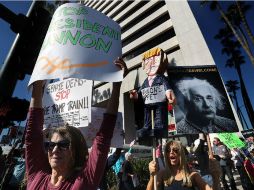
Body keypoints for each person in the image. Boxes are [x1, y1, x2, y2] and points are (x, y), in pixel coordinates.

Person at [25, 58, 128, 190]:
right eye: (51, 145)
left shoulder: (81, 184)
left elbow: (103, 140)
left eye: (63, 145)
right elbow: (32, 136)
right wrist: (38, 83)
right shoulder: (36, 176)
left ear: (75, 152)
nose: (55, 149)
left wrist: (117, 86)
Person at [130, 47, 176, 138]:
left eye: (154, 61)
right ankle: (147, 127)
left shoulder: (161, 78)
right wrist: (134, 94)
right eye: (148, 62)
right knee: (147, 115)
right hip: (147, 103)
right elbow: (139, 94)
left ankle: (159, 127)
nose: (151, 64)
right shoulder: (145, 81)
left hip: (159, 102)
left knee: (159, 114)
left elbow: (167, 87)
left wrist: (169, 94)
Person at [146, 140, 221, 190]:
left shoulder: (193, 174)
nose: (171, 152)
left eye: (175, 150)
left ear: (181, 154)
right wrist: (152, 176)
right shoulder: (162, 174)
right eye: (168, 151)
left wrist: (216, 177)